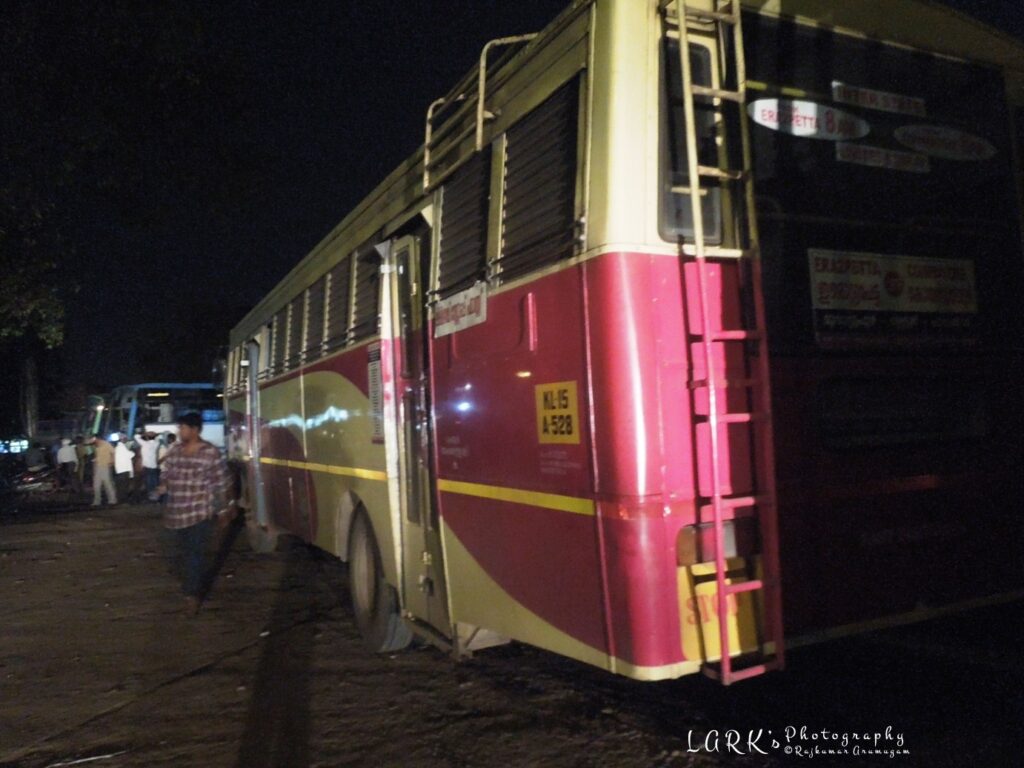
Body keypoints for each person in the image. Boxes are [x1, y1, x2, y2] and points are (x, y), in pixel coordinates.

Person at [157, 413, 234, 615]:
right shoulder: (175, 451)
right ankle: (192, 586)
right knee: (181, 556)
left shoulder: (210, 453)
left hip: (200, 513)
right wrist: (163, 485)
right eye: (179, 427)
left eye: (183, 428)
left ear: (195, 429)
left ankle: (191, 596)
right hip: (176, 514)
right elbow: (166, 472)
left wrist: (224, 510)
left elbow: (221, 483)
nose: (179, 431)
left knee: (194, 554)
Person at [89, 434, 117, 506]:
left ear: (96, 438)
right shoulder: (96, 446)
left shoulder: (106, 444)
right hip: (98, 466)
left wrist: (112, 462)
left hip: (105, 466)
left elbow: (113, 453)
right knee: (96, 485)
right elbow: (98, 456)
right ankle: (97, 501)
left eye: (92, 440)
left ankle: (112, 500)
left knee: (107, 483)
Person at [136, 432, 161, 500]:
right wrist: (155, 434)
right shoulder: (156, 443)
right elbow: (158, 438)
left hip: (147, 465)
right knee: (155, 481)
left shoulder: (144, 443)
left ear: (147, 438)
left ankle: (151, 496)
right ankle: (157, 496)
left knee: (149, 482)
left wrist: (145, 434)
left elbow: (136, 437)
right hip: (154, 465)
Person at [114, 435, 135, 503]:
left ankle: (120, 499)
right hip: (124, 469)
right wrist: (131, 450)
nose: (127, 440)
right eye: (125, 439)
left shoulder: (118, 447)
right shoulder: (122, 447)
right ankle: (123, 500)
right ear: (122, 439)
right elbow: (131, 455)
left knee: (121, 486)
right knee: (124, 486)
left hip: (121, 469)